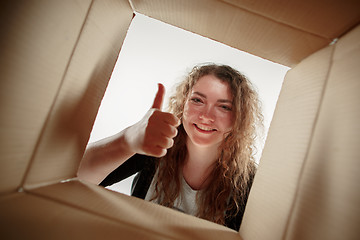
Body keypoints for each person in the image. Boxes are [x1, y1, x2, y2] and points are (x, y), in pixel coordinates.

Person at [77, 63, 263, 231]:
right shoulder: (156, 145)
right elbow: (74, 176)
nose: (206, 116)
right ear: (183, 104)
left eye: (224, 107)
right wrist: (127, 140)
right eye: (197, 100)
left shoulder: (248, 182)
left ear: (239, 118)